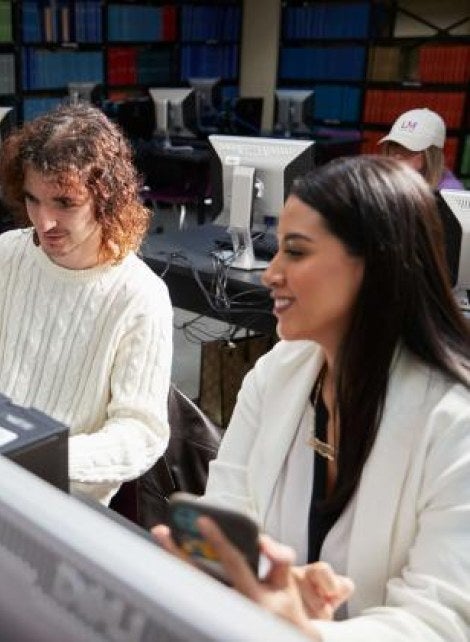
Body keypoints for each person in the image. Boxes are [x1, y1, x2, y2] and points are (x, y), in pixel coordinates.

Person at [155, 155, 470, 640]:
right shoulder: (276, 374)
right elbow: (228, 514)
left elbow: (442, 619)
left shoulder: (455, 423)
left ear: (376, 265)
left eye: (296, 252)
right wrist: (276, 585)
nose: (270, 273)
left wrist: (308, 631)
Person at [0, 103, 173, 505]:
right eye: (32, 200)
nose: (43, 223)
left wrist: (45, 456)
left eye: (64, 203)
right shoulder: (7, 256)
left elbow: (140, 431)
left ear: (105, 199)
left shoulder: (139, 296)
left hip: (61, 502)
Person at [378, 107, 464, 190]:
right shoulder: (381, 183)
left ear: (431, 155)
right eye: (395, 144)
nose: (397, 155)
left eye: (409, 146)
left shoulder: (449, 192)